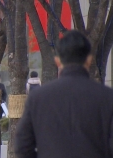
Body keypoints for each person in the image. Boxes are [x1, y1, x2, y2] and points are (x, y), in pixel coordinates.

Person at [15, 30, 113, 158]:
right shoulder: (107, 97)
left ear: (58, 61)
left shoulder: (38, 98)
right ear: (89, 60)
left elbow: (22, 146)